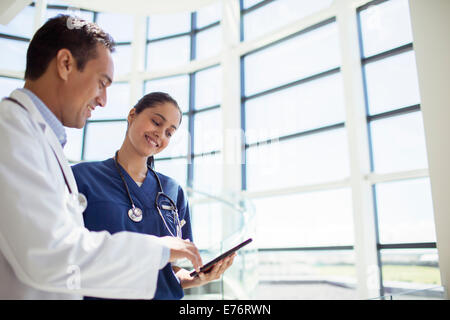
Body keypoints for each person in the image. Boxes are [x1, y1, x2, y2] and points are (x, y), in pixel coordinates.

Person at [0, 15, 203, 299]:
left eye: (170, 131)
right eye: (101, 82)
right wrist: (158, 249)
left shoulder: (38, 138)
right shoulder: (11, 131)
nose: (103, 100)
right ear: (66, 64)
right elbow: (50, 253)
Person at [72, 92, 236, 299]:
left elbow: (170, 271)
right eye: (156, 122)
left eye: (169, 132)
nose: (161, 134)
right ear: (132, 115)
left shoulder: (172, 191)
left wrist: (196, 279)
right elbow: (67, 255)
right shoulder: (82, 178)